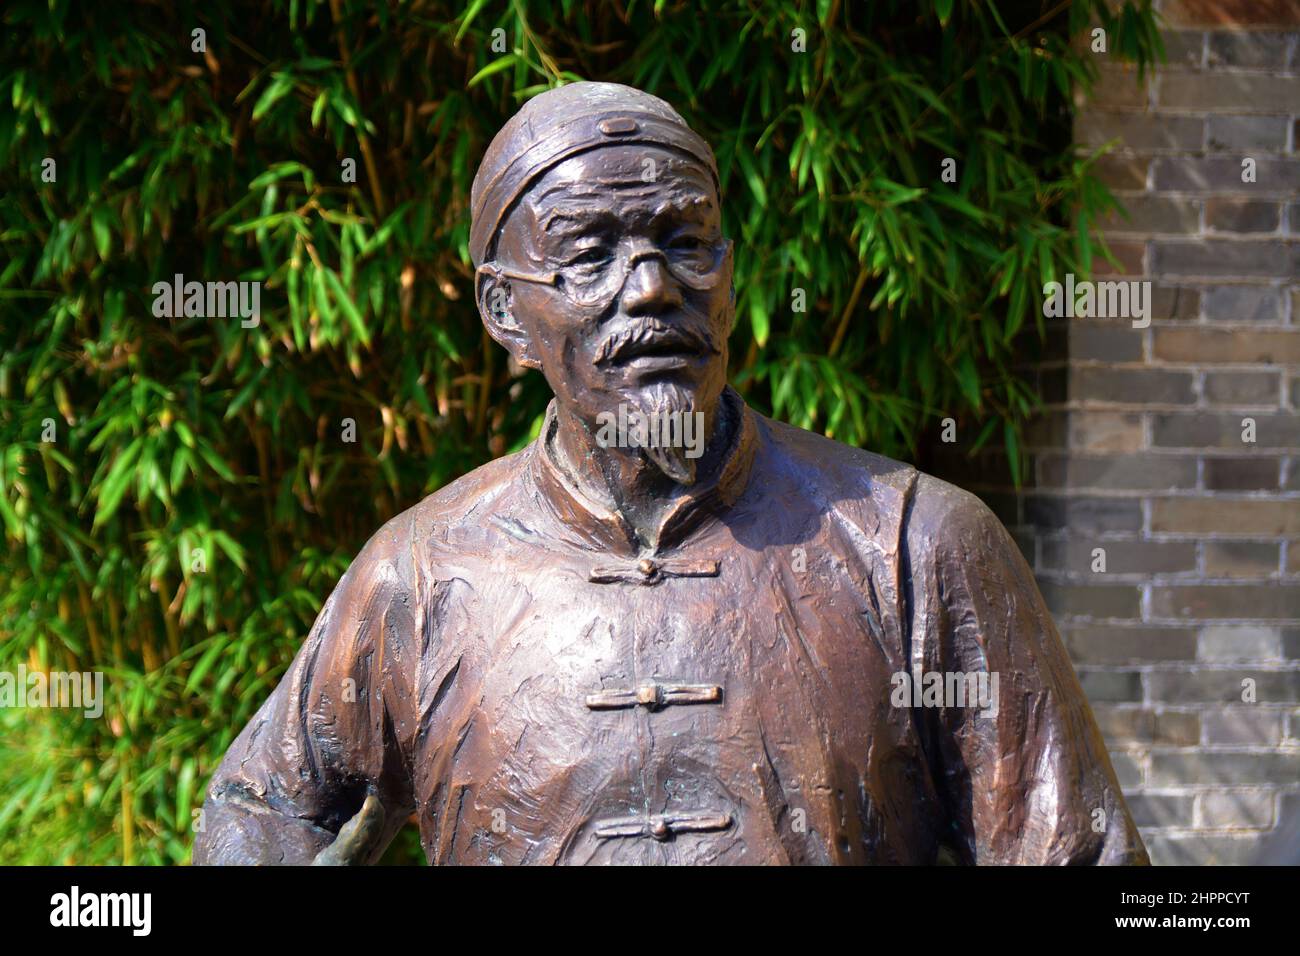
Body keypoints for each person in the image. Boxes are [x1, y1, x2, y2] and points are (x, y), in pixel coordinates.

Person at [193, 82, 1148, 865]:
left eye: (684, 243)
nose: (650, 287)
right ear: (504, 314)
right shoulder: (420, 572)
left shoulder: (914, 542)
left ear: (730, 276)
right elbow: (259, 808)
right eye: (589, 255)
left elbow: (1076, 858)